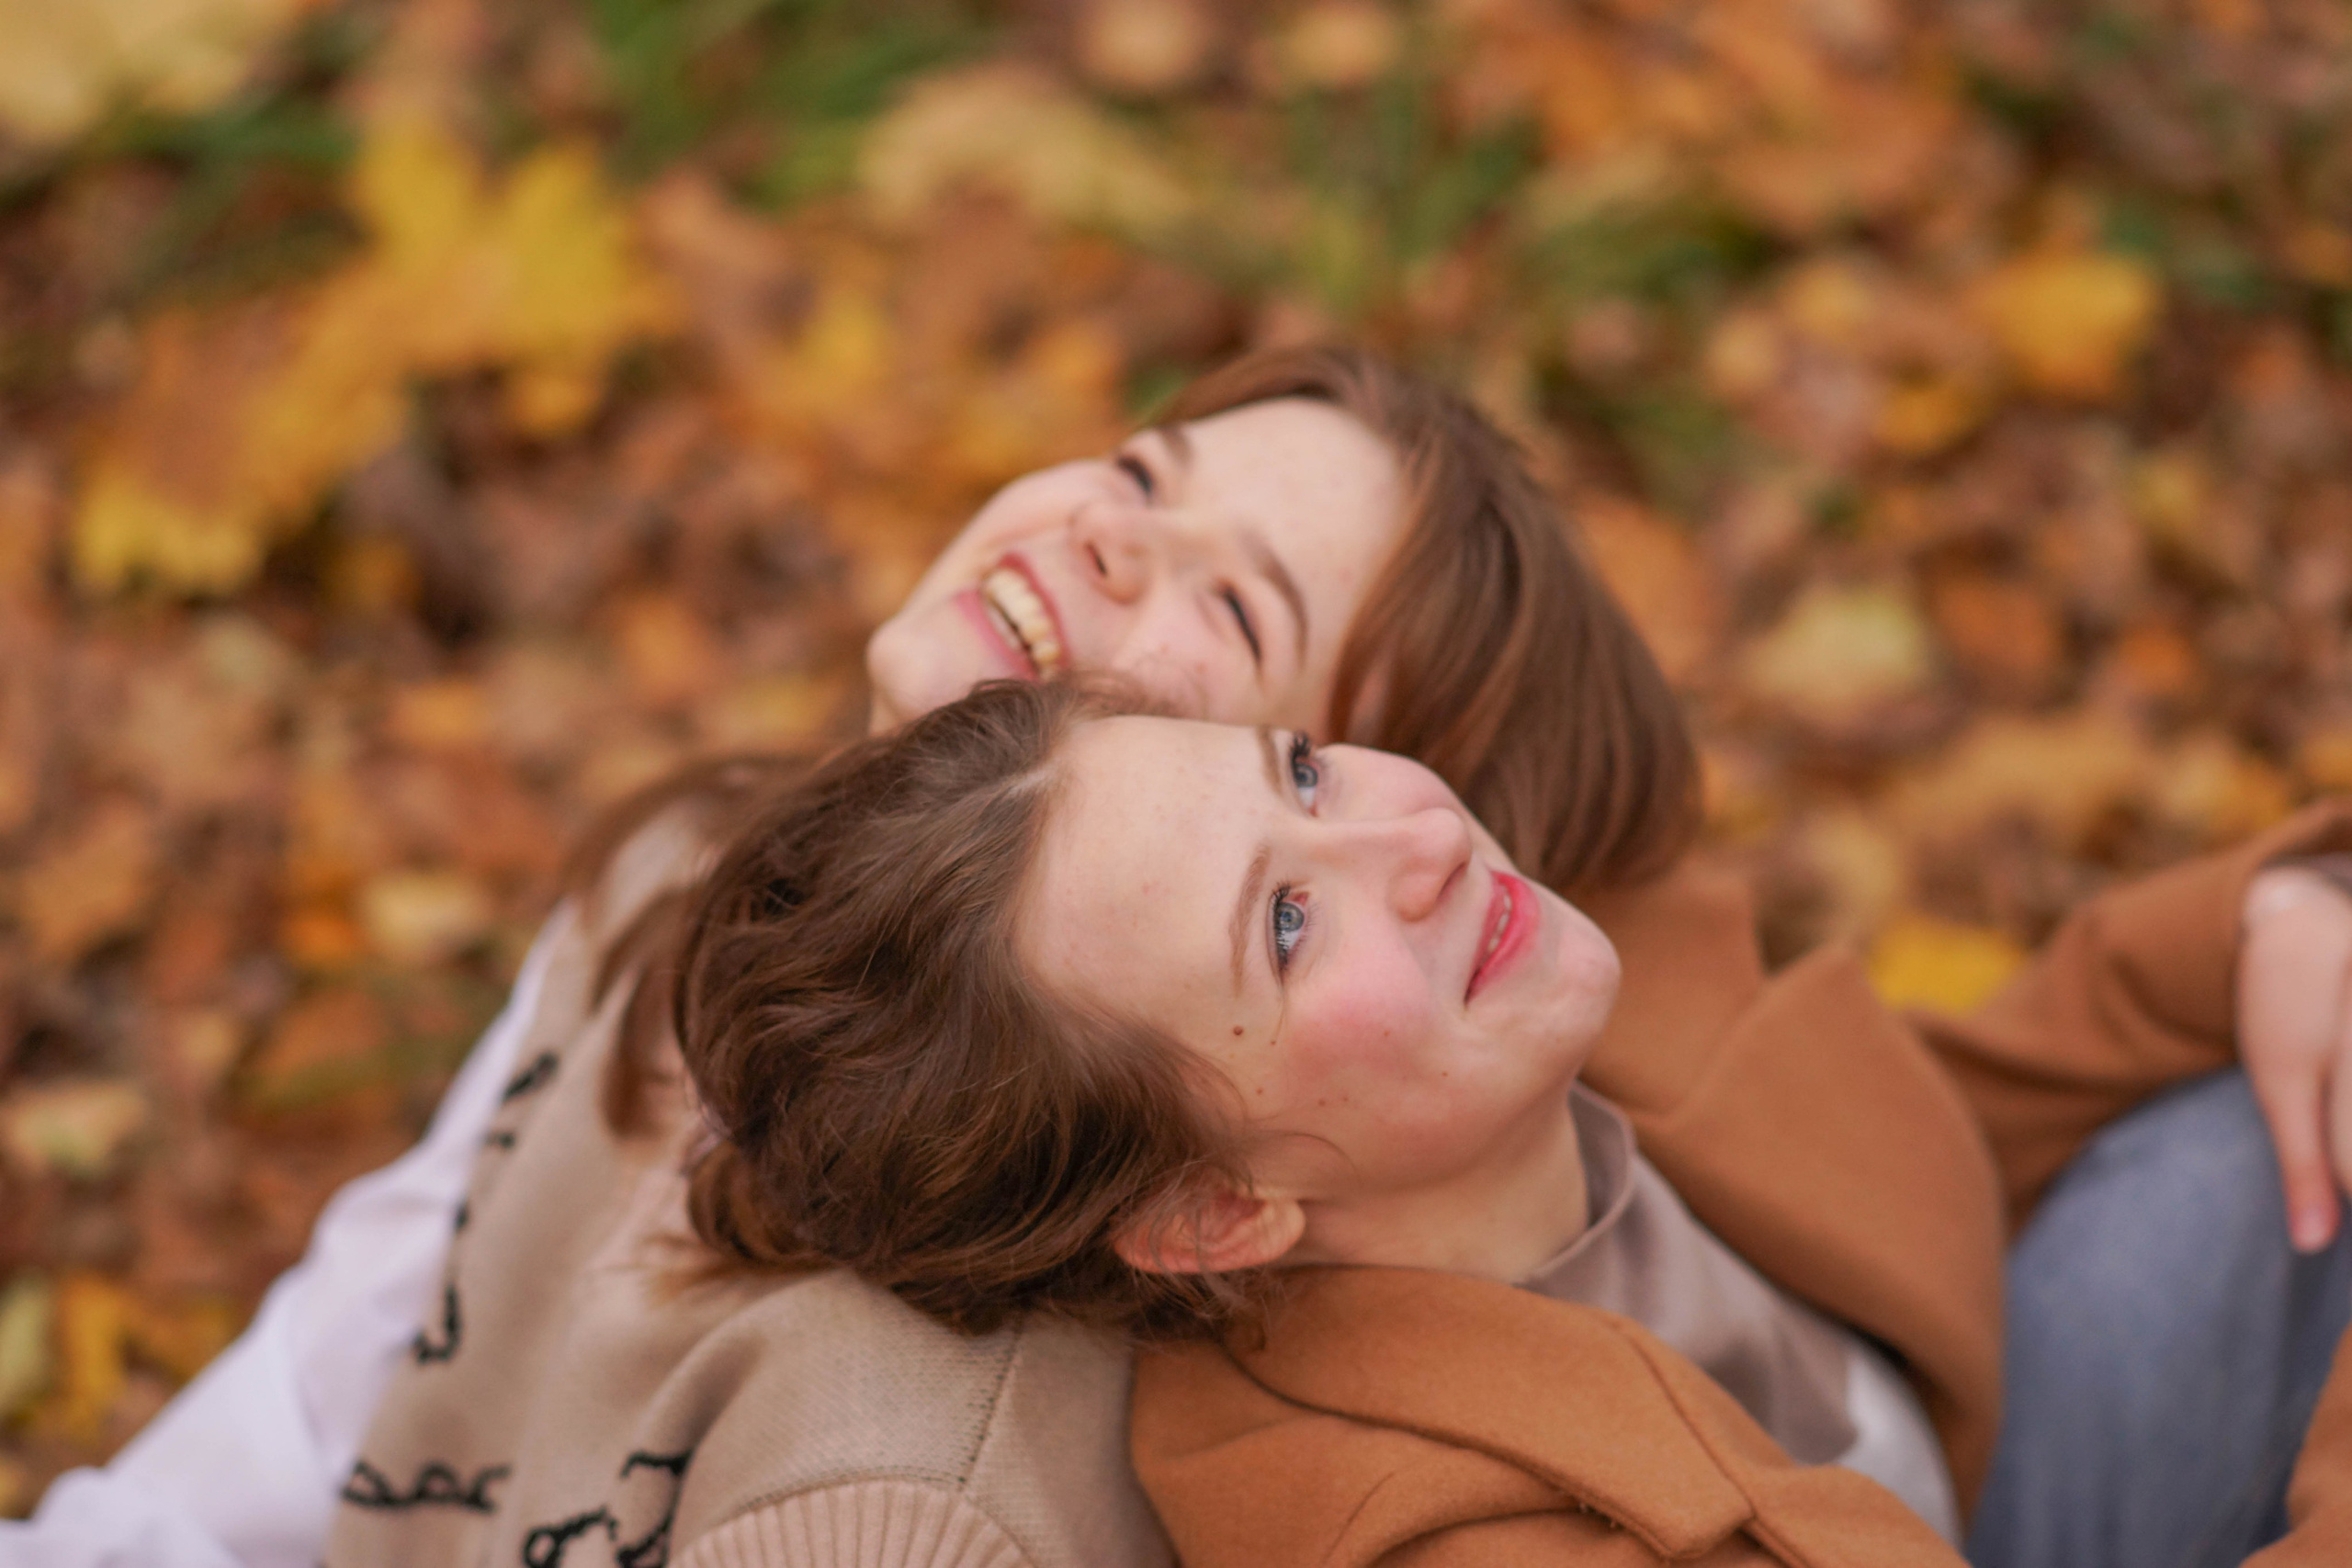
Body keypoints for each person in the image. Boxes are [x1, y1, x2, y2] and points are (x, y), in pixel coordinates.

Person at [6, 349, 2348, 1566]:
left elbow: (1914, 1127)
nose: (1095, 546)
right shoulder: (1028, 1375)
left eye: (1241, 625)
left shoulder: (1487, 1013)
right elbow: (343, 1362)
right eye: (1139, 474)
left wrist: (2271, 906)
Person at [663, 681, 2352, 1565]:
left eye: (1305, 770)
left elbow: (1953, 1131)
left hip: (1998, 1501)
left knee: (2266, 1120)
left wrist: (2273, 923)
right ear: (1207, 1216)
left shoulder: (1563, 1048)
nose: (1411, 837)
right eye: (1289, 925)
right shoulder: (1429, 1529)